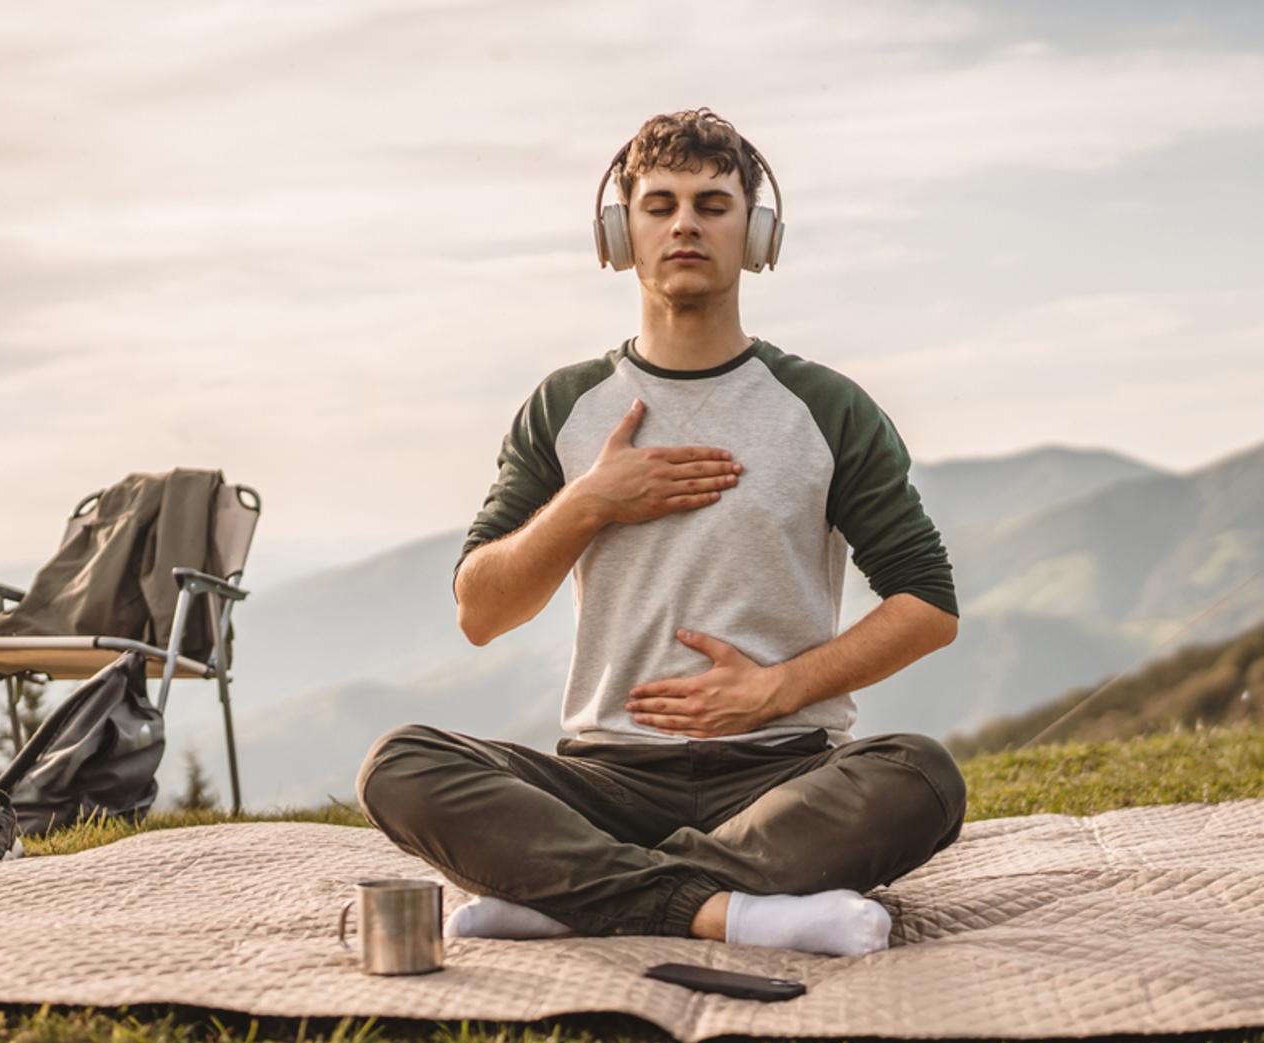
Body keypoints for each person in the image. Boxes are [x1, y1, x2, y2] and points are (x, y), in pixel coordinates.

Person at [354, 107, 967, 956]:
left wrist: (775, 690)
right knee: (402, 764)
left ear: (754, 234)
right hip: (603, 777)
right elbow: (481, 611)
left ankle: (574, 895)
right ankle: (731, 911)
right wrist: (589, 502)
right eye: (660, 204)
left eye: (713, 204)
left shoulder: (828, 407)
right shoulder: (564, 406)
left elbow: (928, 605)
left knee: (921, 778)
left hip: (784, 770)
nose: (684, 223)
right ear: (621, 232)